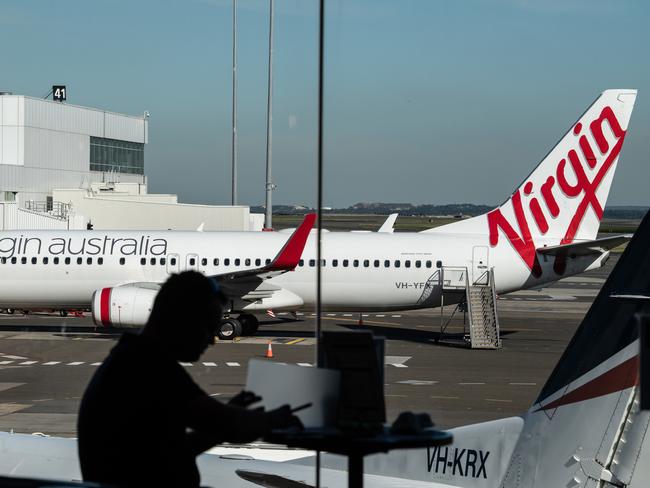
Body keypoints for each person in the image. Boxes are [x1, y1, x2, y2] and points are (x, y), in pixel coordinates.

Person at [77, 271, 300, 487]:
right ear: (181, 320)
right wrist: (274, 419)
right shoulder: (150, 369)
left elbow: (173, 451)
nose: (210, 341)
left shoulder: (133, 358)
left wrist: (227, 417)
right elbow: (233, 427)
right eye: (206, 329)